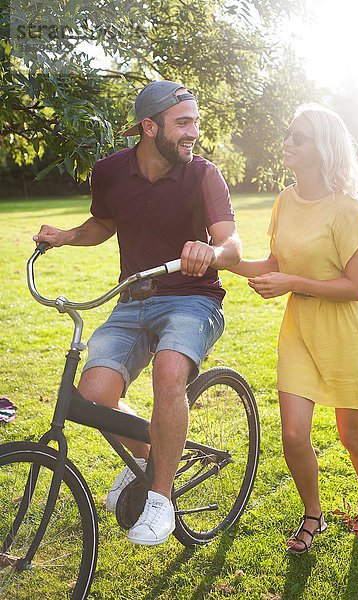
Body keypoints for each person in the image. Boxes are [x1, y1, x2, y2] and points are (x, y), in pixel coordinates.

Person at [33, 80, 241, 546]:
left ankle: (161, 500)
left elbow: (232, 244)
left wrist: (210, 251)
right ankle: (152, 460)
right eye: (183, 122)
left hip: (193, 298)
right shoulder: (108, 173)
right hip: (133, 298)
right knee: (94, 392)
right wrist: (67, 236)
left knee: (170, 372)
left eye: (195, 122)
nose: (193, 132)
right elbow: (104, 224)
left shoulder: (203, 174)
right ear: (149, 127)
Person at [230, 103, 358, 555]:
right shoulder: (285, 200)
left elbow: (355, 287)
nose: (288, 142)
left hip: (344, 333)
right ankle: (313, 515)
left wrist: (291, 283)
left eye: (298, 137)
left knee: (351, 436)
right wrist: (227, 261)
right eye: (288, 134)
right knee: (294, 434)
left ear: (322, 149)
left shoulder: (347, 210)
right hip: (299, 329)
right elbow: (274, 264)